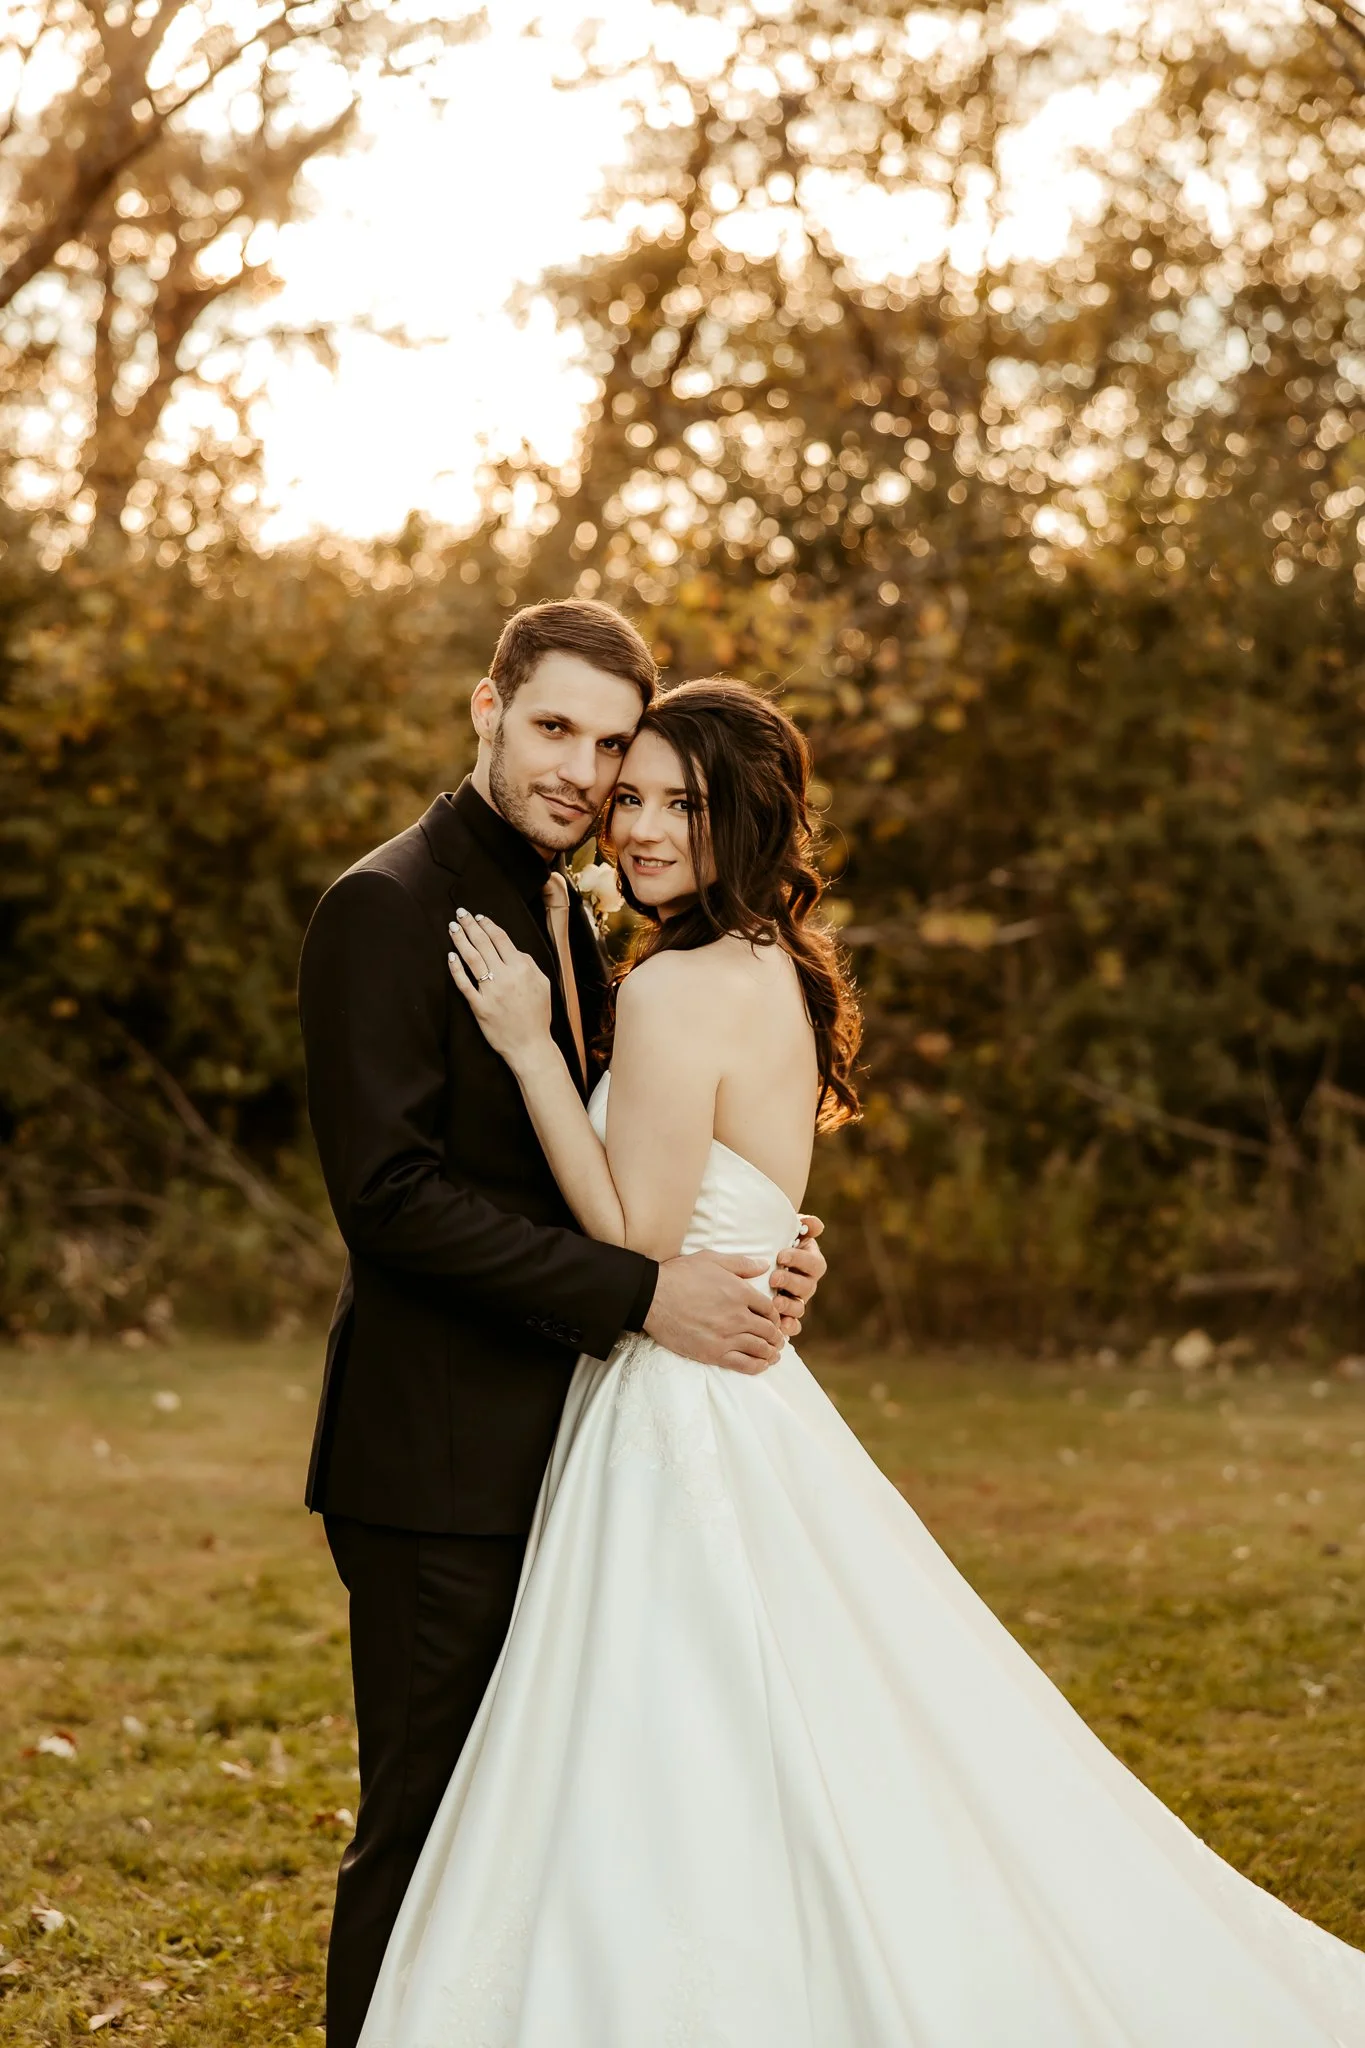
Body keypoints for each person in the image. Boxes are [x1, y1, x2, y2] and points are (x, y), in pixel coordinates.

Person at [358, 678, 1365, 2047]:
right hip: (747, 1385)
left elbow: (641, 1234)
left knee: (668, 1737)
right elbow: (735, 1192)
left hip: (677, 1400)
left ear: (749, 822)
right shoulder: (770, 961)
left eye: (680, 806)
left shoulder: (670, 987)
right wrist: (775, 1240)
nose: (640, 827)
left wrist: (535, 1053)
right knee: (805, 1726)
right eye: (634, 796)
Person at [296, 604, 829, 2048]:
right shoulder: (386, 906)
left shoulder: (587, 918)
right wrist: (652, 1291)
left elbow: (656, 1149)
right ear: (487, 707)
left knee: (549, 1830)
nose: (588, 774)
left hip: (585, 1449)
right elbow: (393, 1200)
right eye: (557, 730)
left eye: (614, 745)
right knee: (427, 1827)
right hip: (440, 1462)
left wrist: (771, 1244)